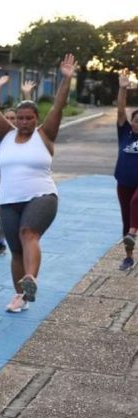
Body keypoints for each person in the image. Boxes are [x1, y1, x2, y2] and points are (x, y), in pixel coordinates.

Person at [0, 53, 75, 312]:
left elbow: (58, 106)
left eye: (29, 118)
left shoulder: (45, 134)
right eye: (20, 118)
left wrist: (66, 79)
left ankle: (31, 279)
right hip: (9, 200)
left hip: (42, 196)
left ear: (36, 118)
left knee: (28, 234)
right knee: (16, 251)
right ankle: (20, 297)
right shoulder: (6, 135)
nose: (23, 122)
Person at [0, 77, 36, 256]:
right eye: (6, 117)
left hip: (19, 177)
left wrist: (26, 94)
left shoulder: (24, 134)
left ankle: (22, 241)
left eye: (12, 118)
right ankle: (1, 242)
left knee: (20, 211)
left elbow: (31, 112)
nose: (9, 120)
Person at [115, 68, 138, 271]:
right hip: (123, 182)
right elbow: (121, 111)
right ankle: (129, 257)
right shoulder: (125, 133)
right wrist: (122, 89)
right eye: (137, 119)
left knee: (135, 202)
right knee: (126, 218)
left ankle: (132, 231)